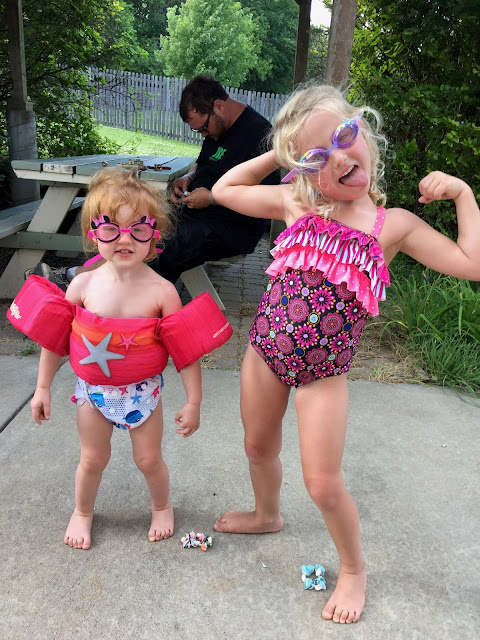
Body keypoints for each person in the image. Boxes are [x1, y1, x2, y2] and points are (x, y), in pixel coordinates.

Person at [211, 85, 480, 624]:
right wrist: (284, 156)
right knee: (258, 447)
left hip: (324, 374)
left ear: (366, 134)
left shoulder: (393, 225)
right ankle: (267, 514)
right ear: (302, 171)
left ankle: (354, 569)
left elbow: (472, 263)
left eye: (343, 137)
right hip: (265, 353)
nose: (336, 159)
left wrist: (463, 195)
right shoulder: (296, 200)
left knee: (322, 483)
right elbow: (223, 189)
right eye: (315, 157)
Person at [25, 168, 205, 551]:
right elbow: (54, 338)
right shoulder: (82, 285)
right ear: (93, 234)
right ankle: (83, 512)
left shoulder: (162, 292)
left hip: (143, 393)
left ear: (154, 235)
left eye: (138, 229)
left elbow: (185, 350)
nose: (124, 239)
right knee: (92, 459)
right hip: (93, 393)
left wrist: (194, 401)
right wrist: (42, 387)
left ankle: (162, 506)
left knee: (149, 459)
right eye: (111, 229)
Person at [35, 74, 279, 289]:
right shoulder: (218, 127)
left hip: (232, 228)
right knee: (142, 226)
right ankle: (82, 279)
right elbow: (203, 163)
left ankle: (89, 284)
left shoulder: (260, 135)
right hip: (199, 216)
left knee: (163, 244)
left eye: (203, 129)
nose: (203, 135)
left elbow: (267, 199)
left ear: (218, 106)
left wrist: (213, 198)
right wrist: (188, 177)